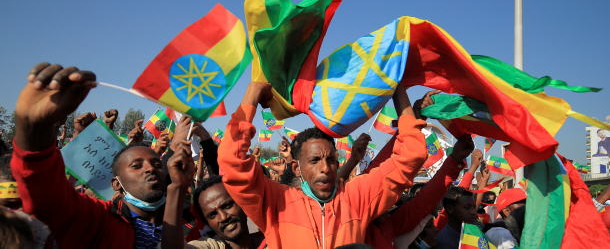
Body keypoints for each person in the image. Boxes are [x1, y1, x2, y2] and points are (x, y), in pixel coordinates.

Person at [218, 81, 428, 248]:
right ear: (296, 169)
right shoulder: (275, 202)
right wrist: (252, 93)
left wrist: (397, 87)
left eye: (331, 160)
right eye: (314, 160)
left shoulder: (357, 196)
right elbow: (231, 160)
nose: (325, 168)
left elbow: (412, 155)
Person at [10, 62, 197, 248]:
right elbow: (46, 195)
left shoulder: (191, 219)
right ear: (116, 183)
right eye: (136, 165)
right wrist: (34, 129)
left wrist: (178, 190)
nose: (150, 168)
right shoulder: (97, 219)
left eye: (157, 164)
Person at [163, 171, 267, 249]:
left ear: (241, 203)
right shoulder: (210, 246)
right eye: (212, 215)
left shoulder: (273, 240)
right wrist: (175, 187)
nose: (223, 217)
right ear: (206, 222)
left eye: (227, 206)